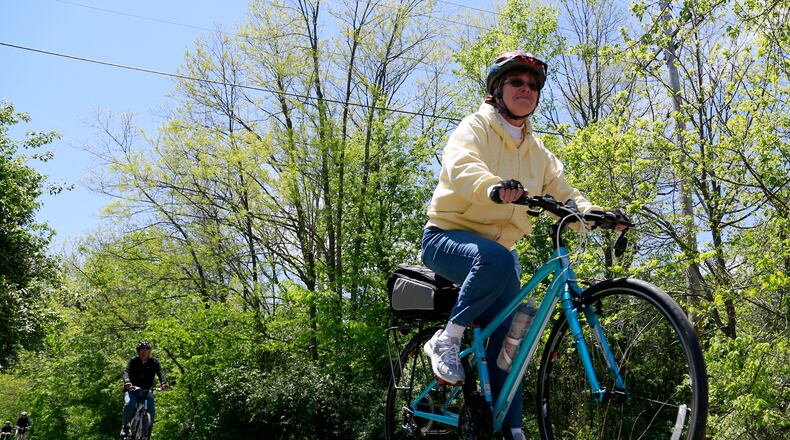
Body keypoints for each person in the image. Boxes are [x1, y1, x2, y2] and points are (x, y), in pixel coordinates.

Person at [420, 50, 626, 440]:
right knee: (498, 260)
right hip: (446, 238)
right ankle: (446, 339)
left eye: (533, 85)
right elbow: (463, 166)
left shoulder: (537, 153)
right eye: (517, 81)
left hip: (498, 259)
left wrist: (595, 215)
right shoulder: (476, 126)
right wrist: (494, 188)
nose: (526, 89)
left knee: (512, 346)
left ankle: (514, 431)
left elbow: (566, 194)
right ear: (497, 89)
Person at [120, 341, 169, 438]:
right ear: (138, 352)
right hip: (132, 390)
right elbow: (127, 371)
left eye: (146, 351)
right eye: (142, 351)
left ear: (149, 352)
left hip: (147, 391)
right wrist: (127, 382)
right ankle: (125, 427)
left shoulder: (154, 362)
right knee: (129, 404)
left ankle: (147, 435)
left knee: (151, 410)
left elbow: (160, 372)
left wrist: (164, 383)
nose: (144, 353)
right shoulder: (133, 361)